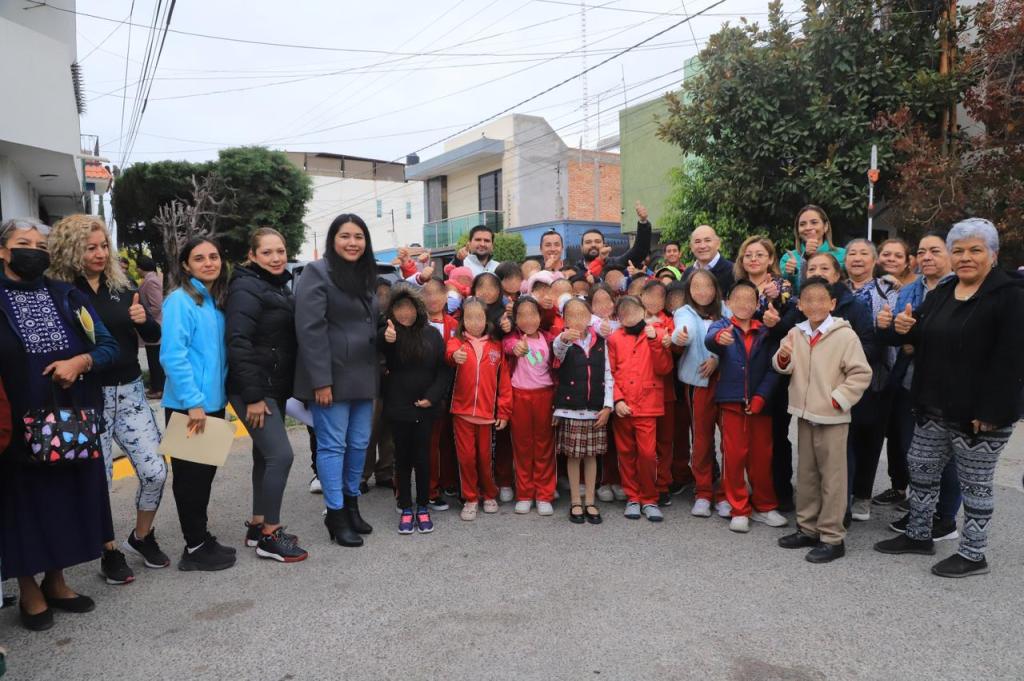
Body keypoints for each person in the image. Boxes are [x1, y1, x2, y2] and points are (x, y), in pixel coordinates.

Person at [874, 218, 1024, 578]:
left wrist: (992, 411)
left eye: (975, 250)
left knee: (975, 483)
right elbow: (915, 335)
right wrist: (897, 328)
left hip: (980, 413)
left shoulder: (1011, 297)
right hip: (932, 404)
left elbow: (1011, 360)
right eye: (958, 251)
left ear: (993, 254)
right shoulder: (943, 292)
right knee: (921, 469)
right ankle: (918, 534)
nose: (965, 257)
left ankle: (973, 554)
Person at [0, 217, 119, 631]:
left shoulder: (67, 296)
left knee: (67, 499)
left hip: (69, 422)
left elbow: (107, 346)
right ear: (3, 251)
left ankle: (56, 580)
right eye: (23, 243)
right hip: (14, 424)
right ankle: (28, 589)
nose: (34, 251)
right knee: (22, 506)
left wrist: (80, 361)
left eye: (41, 245)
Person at [48, 215, 167, 583]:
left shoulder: (122, 284)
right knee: (99, 481)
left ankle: (142, 536)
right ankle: (109, 550)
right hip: (87, 395)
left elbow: (153, 334)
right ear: (70, 250)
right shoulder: (58, 291)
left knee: (155, 471)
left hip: (130, 390)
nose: (100, 254)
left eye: (103, 246)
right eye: (90, 248)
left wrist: (143, 319)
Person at [294, 214, 379, 548]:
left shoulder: (365, 274)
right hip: (331, 377)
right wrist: (320, 381)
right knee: (332, 446)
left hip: (363, 375)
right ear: (333, 239)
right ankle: (336, 513)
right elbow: (310, 330)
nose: (352, 242)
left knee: (359, 443)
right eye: (345, 236)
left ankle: (352, 505)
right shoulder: (316, 272)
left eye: (359, 236)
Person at [773, 277, 872, 564]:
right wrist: (783, 358)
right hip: (805, 414)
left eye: (821, 300)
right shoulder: (796, 332)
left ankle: (832, 537)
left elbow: (861, 373)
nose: (815, 305)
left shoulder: (844, 336)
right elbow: (782, 365)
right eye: (808, 300)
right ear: (800, 305)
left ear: (832, 304)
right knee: (806, 475)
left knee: (833, 479)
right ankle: (807, 528)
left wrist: (838, 399)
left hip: (833, 417)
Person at [225, 228, 307, 563]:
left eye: (280, 251)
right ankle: (271, 536)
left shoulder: (276, 285)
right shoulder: (246, 287)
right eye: (267, 252)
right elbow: (238, 342)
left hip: (271, 385)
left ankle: (258, 525)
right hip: (255, 388)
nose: (276, 258)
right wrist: (254, 396)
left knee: (264, 455)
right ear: (252, 255)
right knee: (281, 456)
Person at [160, 236, 235, 572]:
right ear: (186, 265)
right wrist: (193, 403)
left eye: (213, 256)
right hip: (189, 407)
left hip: (212, 404)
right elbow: (172, 356)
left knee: (203, 477)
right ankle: (193, 548)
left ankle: (201, 537)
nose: (209, 263)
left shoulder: (214, 301)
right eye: (200, 258)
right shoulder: (180, 301)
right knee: (190, 480)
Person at [872, 234, 955, 520]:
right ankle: (919, 509)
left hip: (947, 387)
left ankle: (943, 517)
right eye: (922, 252)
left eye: (935, 251)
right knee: (910, 448)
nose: (927, 257)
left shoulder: (958, 289)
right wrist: (885, 327)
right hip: (908, 381)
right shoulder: (909, 291)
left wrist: (914, 339)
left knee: (945, 456)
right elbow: (896, 337)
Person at [704, 280, 787, 533]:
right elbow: (711, 340)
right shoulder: (722, 326)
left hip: (761, 405)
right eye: (737, 299)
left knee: (762, 457)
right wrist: (719, 339)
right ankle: (738, 507)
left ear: (757, 304)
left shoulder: (765, 330)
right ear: (728, 303)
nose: (743, 304)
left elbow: (775, 368)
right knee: (734, 456)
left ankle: (765, 506)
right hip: (731, 402)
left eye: (749, 300)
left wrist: (762, 397)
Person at [380, 286, 451, 534]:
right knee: (402, 458)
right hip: (398, 407)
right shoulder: (389, 333)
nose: (405, 313)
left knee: (423, 458)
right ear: (392, 310)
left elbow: (443, 369)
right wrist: (387, 340)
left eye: (409, 307)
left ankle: (422, 505)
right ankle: (405, 506)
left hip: (425, 407)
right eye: (399, 308)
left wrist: (432, 397)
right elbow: (379, 352)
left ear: (418, 308)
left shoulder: (431, 334)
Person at [843, 239, 899, 523]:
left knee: (870, 438)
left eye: (864, 253)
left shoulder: (888, 290)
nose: (857, 258)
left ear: (875, 260)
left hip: (876, 375)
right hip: (839, 375)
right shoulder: (837, 289)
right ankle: (842, 494)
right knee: (844, 438)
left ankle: (862, 495)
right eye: (852, 253)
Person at [607, 295, 673, 522]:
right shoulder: (614, 338)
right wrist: (617, 400)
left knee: (647, 454)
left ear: (644, 311)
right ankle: (632, 497)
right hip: (624, 405)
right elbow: (610, 372)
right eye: (624, 313)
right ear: (619, 317)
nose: (630, 317)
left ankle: (649, 498)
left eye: (634, 311)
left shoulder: (658, 333)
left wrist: (655, 341)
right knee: (625, 453)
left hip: (648, 404)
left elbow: (664, 368)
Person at [446, 298, 513, 521]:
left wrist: (503, 411)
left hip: (487, 415)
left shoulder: (496, 347)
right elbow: (449, 354)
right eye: (469, 318)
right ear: (462, 321)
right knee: (466, 458)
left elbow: (504, 383)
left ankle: (489, 494)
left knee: (485, 459)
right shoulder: (457, 343)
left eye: (479, 317)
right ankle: (471, 498)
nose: (474, 322)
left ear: (487, 320)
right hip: (462, 413)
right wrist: (454, 356)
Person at [672, 269, 730, 518]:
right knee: (701, 440)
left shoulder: (726, 311)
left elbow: (735, 340)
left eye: (707, 286)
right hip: (698, 383)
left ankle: (726, 493)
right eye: (696, 286)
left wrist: (716, 359)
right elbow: (682, 332)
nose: (702, 291)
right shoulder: (684, 312)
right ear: (689, 290)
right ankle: (703, 491)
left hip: (727, 383)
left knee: (730, 441)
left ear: (716, 289)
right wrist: (680, 337)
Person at [552, 297, 612, 524]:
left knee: (591, 456)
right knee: (574, 456)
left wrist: (608, 406)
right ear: (564, 319)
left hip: (595, 409)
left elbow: (609, 374)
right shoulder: (563, 341)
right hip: (571, 409)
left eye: (582, 315)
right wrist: (563, 338)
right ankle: (576, 500)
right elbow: (557, 351)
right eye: (572, 315)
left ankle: (590, 501)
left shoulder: (601, 341)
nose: (577, 319)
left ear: (590, 317)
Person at [502, 296, 557, 515]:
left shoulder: (549, 338)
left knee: (544, 446)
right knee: (522, 446)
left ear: (539, 316)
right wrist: (516, 347)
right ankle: (524, 493)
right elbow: (508, 346)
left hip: (545, 395)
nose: (528, 319)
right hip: (520, 397)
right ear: (515, 319)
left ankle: (544, 494)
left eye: (532, 314)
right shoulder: (512, 338)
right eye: (522, 315)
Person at [422, 277, 459, 508]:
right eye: (428, 293)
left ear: (446, 297)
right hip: (428, 389)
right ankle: (431, 488)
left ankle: (448, 481)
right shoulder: (417, 324)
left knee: (448, 439)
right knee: (431, 442)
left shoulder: (455, 324)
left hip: (454, 388)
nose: (433, 298)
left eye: (438, 293)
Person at [779, 205, 847, 293]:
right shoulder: (788, 258)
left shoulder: (843, 254)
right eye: (802, 224)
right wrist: (790, 274)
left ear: (825, 226)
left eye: (814, 222)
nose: (808, 228)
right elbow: (786, 292)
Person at [574, 202, 652, 277]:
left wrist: (643, 222)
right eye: (588, 242)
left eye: (597, 241)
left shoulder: (614, 264)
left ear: (604, 245)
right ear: (581, 247)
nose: (593, 245)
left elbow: (639, 251)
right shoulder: (574, 271)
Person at [733, 235, 792, 318]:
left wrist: (776, 297)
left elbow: (790, 313)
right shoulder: (736, 287)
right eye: (748, 255)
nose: (753, 259)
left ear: (771, 259)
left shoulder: (783, 286)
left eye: (759, 255)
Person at [136, 255, 165, 399]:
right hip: (153, 327)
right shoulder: (151, 279)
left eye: (137, 267)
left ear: (141, 267)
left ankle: (159, 389)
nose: (136, 270)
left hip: (155, 327)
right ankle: (156, 387)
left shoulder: (151, 281)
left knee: (155, 359)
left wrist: (146, 318)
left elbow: (157, 306)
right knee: (153, 358)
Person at [685, 225, 735, 295]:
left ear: (718, 244)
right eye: (697, 242)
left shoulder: (733, 272)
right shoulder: (687, 273)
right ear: (691, 247)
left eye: (707, 240)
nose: (702, 246)